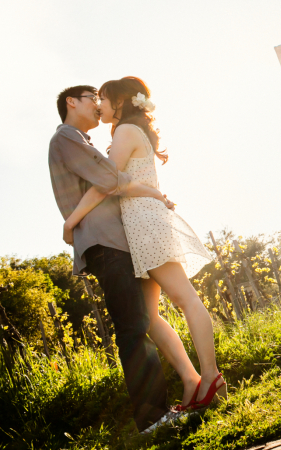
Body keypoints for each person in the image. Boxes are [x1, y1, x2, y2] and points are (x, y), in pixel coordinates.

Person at [62, 77, 226, 413]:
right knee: (149, 316)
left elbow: (107, 184)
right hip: (136, 228)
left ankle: (211, 377)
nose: (99, 105)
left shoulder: (125, 132)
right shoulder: (127, 132)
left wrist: (72, 219)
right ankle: (192, 380)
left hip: (146, 224)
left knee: (184, 298)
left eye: (103, 99)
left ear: (120, 101)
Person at [48, 85, 176, 433]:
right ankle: (152, 418)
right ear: (71, 103)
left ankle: (159, 411)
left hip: (115, 240)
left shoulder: (80, 141)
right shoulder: (66, 137)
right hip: (105, 243)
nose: (98, 105)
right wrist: (149, 189)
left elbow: (110, 180)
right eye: (92, 98)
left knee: (139, 322)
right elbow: (109, 179)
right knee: (132, 328)